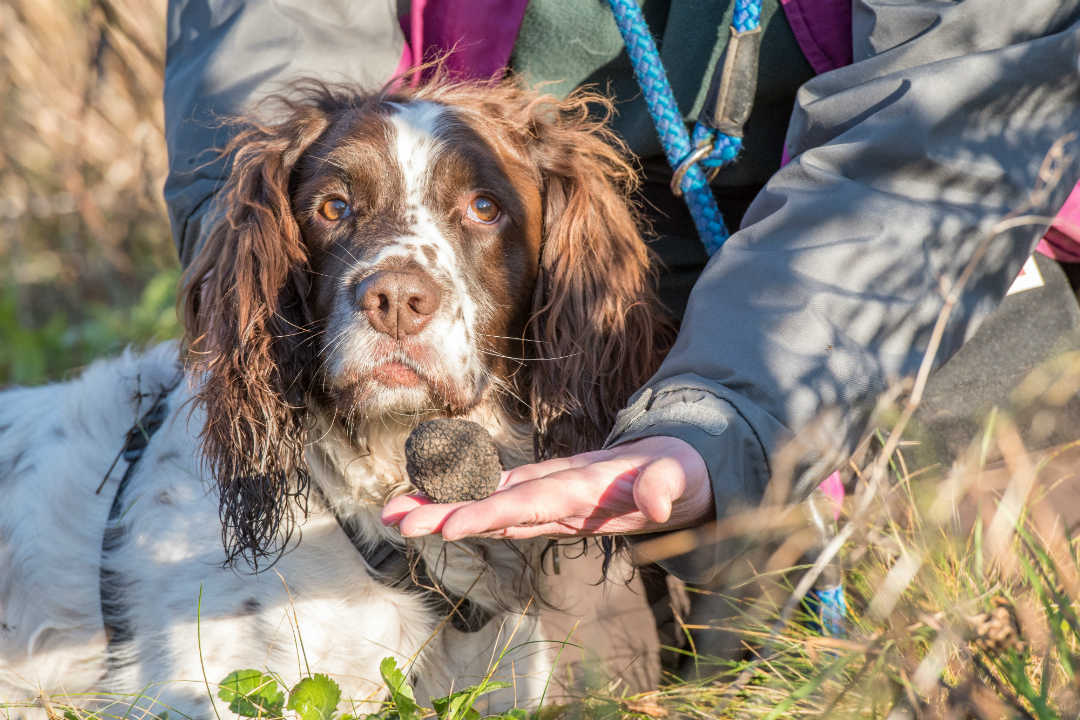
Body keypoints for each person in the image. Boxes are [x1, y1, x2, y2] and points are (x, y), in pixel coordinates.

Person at [165, 0, 1080, 585]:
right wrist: (273, 291)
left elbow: (949, 137)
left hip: (906, 251)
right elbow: (268, 63)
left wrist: (724, 415)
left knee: (976, 588)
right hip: (532, 304)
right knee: (590, 652)